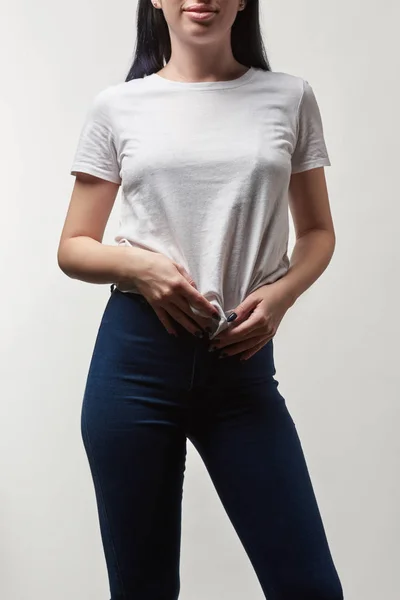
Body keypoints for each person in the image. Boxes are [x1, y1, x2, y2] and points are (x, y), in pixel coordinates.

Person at [57, 0, 344, 598]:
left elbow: (318, 232)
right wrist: (141, 268)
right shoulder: (119, 106)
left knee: (309, 587)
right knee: (144, 590)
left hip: (240, 368)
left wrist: (283, 295)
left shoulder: (289, 97)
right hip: (135, 366)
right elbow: (74, 247)